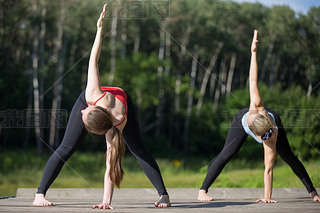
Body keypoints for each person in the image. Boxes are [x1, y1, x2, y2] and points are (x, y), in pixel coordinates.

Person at [32, 3, 171, 208]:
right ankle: (39, 195)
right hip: (100, 100)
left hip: (124, 103)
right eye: (84, 113)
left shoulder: (117, 124)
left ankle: (164, 195)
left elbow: (111, 165)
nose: (80, 110)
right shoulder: (91, 95)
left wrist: (106, 202)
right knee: (66, 147)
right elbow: (93, 60)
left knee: (138, 148)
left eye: (83, 114)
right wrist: (99, 30)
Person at [197, 30, 320, 203]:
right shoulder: (255, 105)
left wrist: (267, 197)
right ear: (255, 133)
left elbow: (268, 169)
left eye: (265, 137)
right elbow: (252, 79)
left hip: (271, 120)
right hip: (240, 119)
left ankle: (313, 192)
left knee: (289, 156)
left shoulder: (271, 135)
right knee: (227, 153)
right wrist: (253, 52)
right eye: (262, 137)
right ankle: (202, 190)